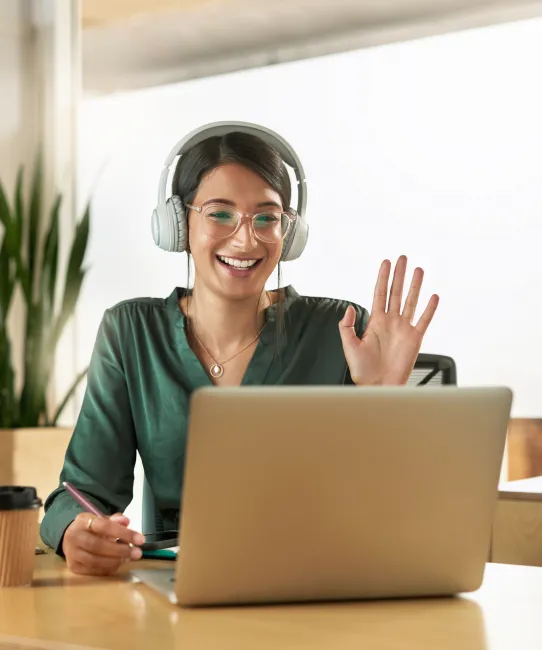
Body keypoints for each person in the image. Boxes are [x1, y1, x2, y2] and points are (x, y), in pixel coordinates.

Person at [40, 123, 439, 576]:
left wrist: (385, 398)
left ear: (289, 233)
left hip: (321, 579)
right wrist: (75, 529)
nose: (246, 240)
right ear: (177, 224)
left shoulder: (340, 330)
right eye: (220, 213)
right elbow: (82, 491)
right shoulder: (132, 332)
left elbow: (393, 508)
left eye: (267, 217)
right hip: (186, 584)